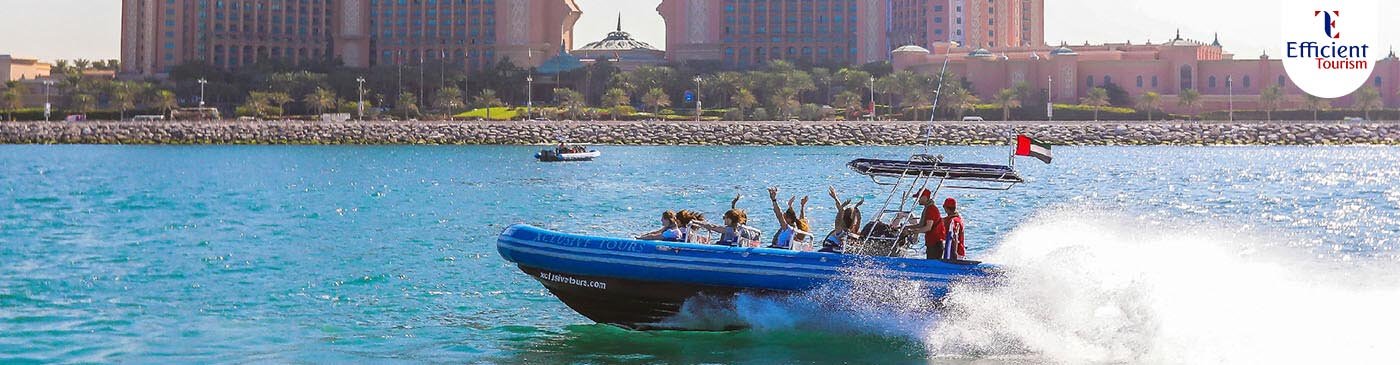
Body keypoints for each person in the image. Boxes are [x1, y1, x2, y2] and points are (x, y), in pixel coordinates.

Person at [903, 189, 947, 260]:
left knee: (932, 262)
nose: (917, 199)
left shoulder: (931, 209)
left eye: (919, 197)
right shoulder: (928, 208)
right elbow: (921, 225)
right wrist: (906, 227)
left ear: (924, 197)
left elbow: (928, 227)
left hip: (935, 243)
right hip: (932, 242)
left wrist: (912, 232)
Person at [820, 186, 863, 253]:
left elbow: (841, 213)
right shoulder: (839, 229)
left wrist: (836, 198)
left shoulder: (852, 230)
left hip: (839, 250)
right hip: (828, 249)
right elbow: (840, 214)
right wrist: (836, 198)